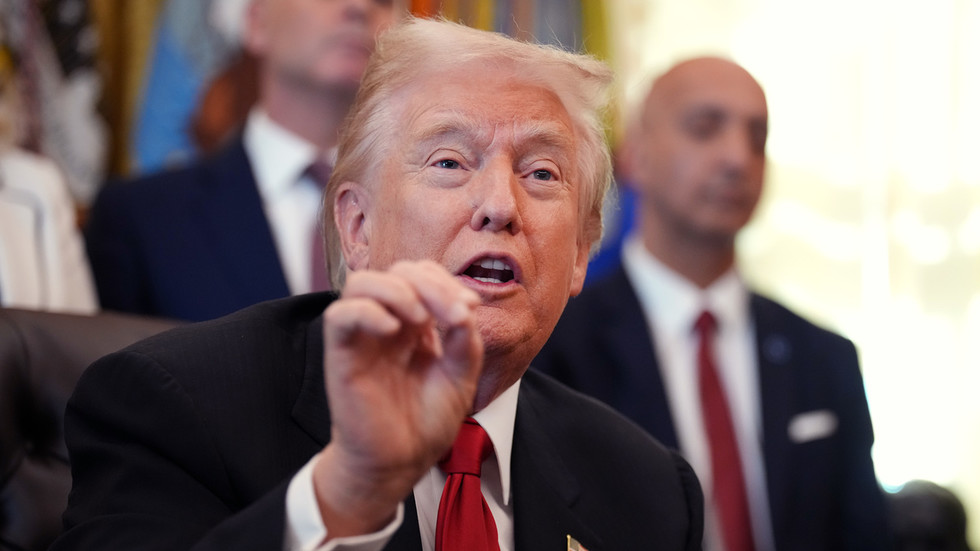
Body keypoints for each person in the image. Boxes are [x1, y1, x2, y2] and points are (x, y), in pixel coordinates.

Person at [53, 18, 704, 551]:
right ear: (356, 226)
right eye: (450, 161)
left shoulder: (647, 490)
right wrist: (349, 492)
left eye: (541, 174)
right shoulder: (171, 407)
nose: (500, 204)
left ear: (583, 253)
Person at [534, 57, 889, 551]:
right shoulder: (554, 348)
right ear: (634, 155)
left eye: (757, 138)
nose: (737, 158)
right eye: (705, 129)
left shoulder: (824, 358)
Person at [84, 0, 397, 322]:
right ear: (256, 22)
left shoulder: (431, 210)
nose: (360, 6)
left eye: (383, 0)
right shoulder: (141, 219)